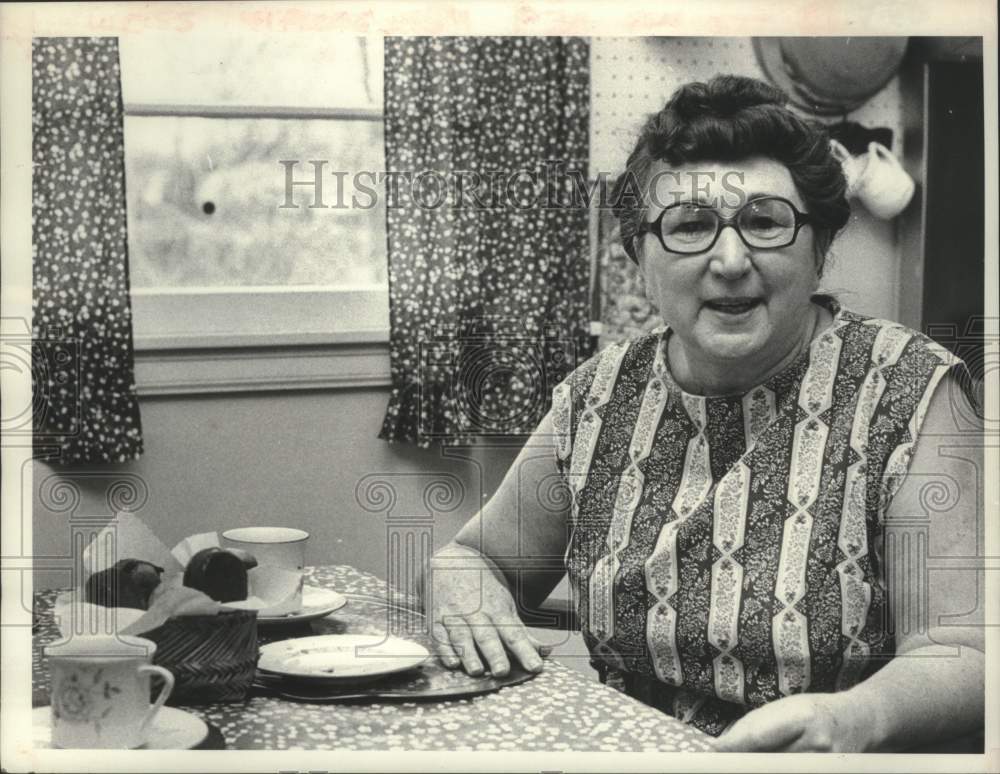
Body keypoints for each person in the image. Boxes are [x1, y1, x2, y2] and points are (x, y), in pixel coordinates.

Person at [421, 75, 985, 752]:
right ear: (640, 258)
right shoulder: (597, 394)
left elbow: (963, 651)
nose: (729, 260)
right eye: (690, 227)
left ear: (819, 247)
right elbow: (476, 557)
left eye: (765, 222)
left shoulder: (912, 389)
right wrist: (459, 585)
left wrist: (853, 718)